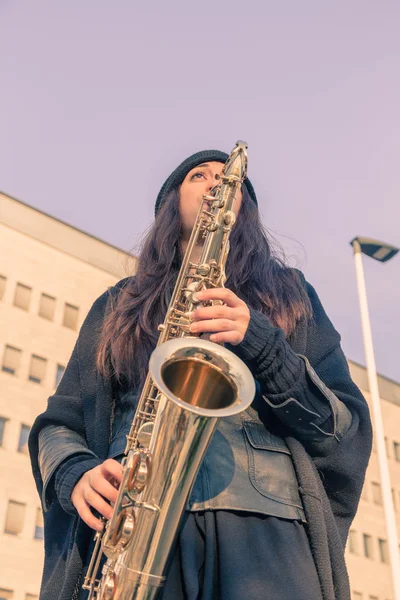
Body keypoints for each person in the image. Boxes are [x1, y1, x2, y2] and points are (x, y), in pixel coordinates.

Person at [29, 147, 372, 600]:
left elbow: (342, 427)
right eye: (198, 175)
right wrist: (75, 473)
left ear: (242, 213)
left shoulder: (291, 293)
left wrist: (263, 343)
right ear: (171, 203)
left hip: (268, 530)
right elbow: (60, 423)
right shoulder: (117, 305)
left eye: (227, 181)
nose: (215, 181)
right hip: (138, 526)